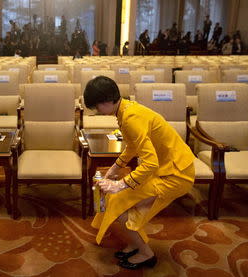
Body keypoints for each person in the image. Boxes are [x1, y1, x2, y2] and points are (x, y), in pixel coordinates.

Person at [83, 76, 195, 270]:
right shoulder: (126, 109)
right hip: (169, 167)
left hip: (176, 174)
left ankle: (146, 254)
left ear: (108, 101)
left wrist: (119, 185)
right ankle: (136, 244)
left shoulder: (130, 117)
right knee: (120, 203)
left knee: (119, 203)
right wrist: (115, 169)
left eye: (97, 106)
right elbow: (133, 147)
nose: (97, 111)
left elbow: (149, 162)